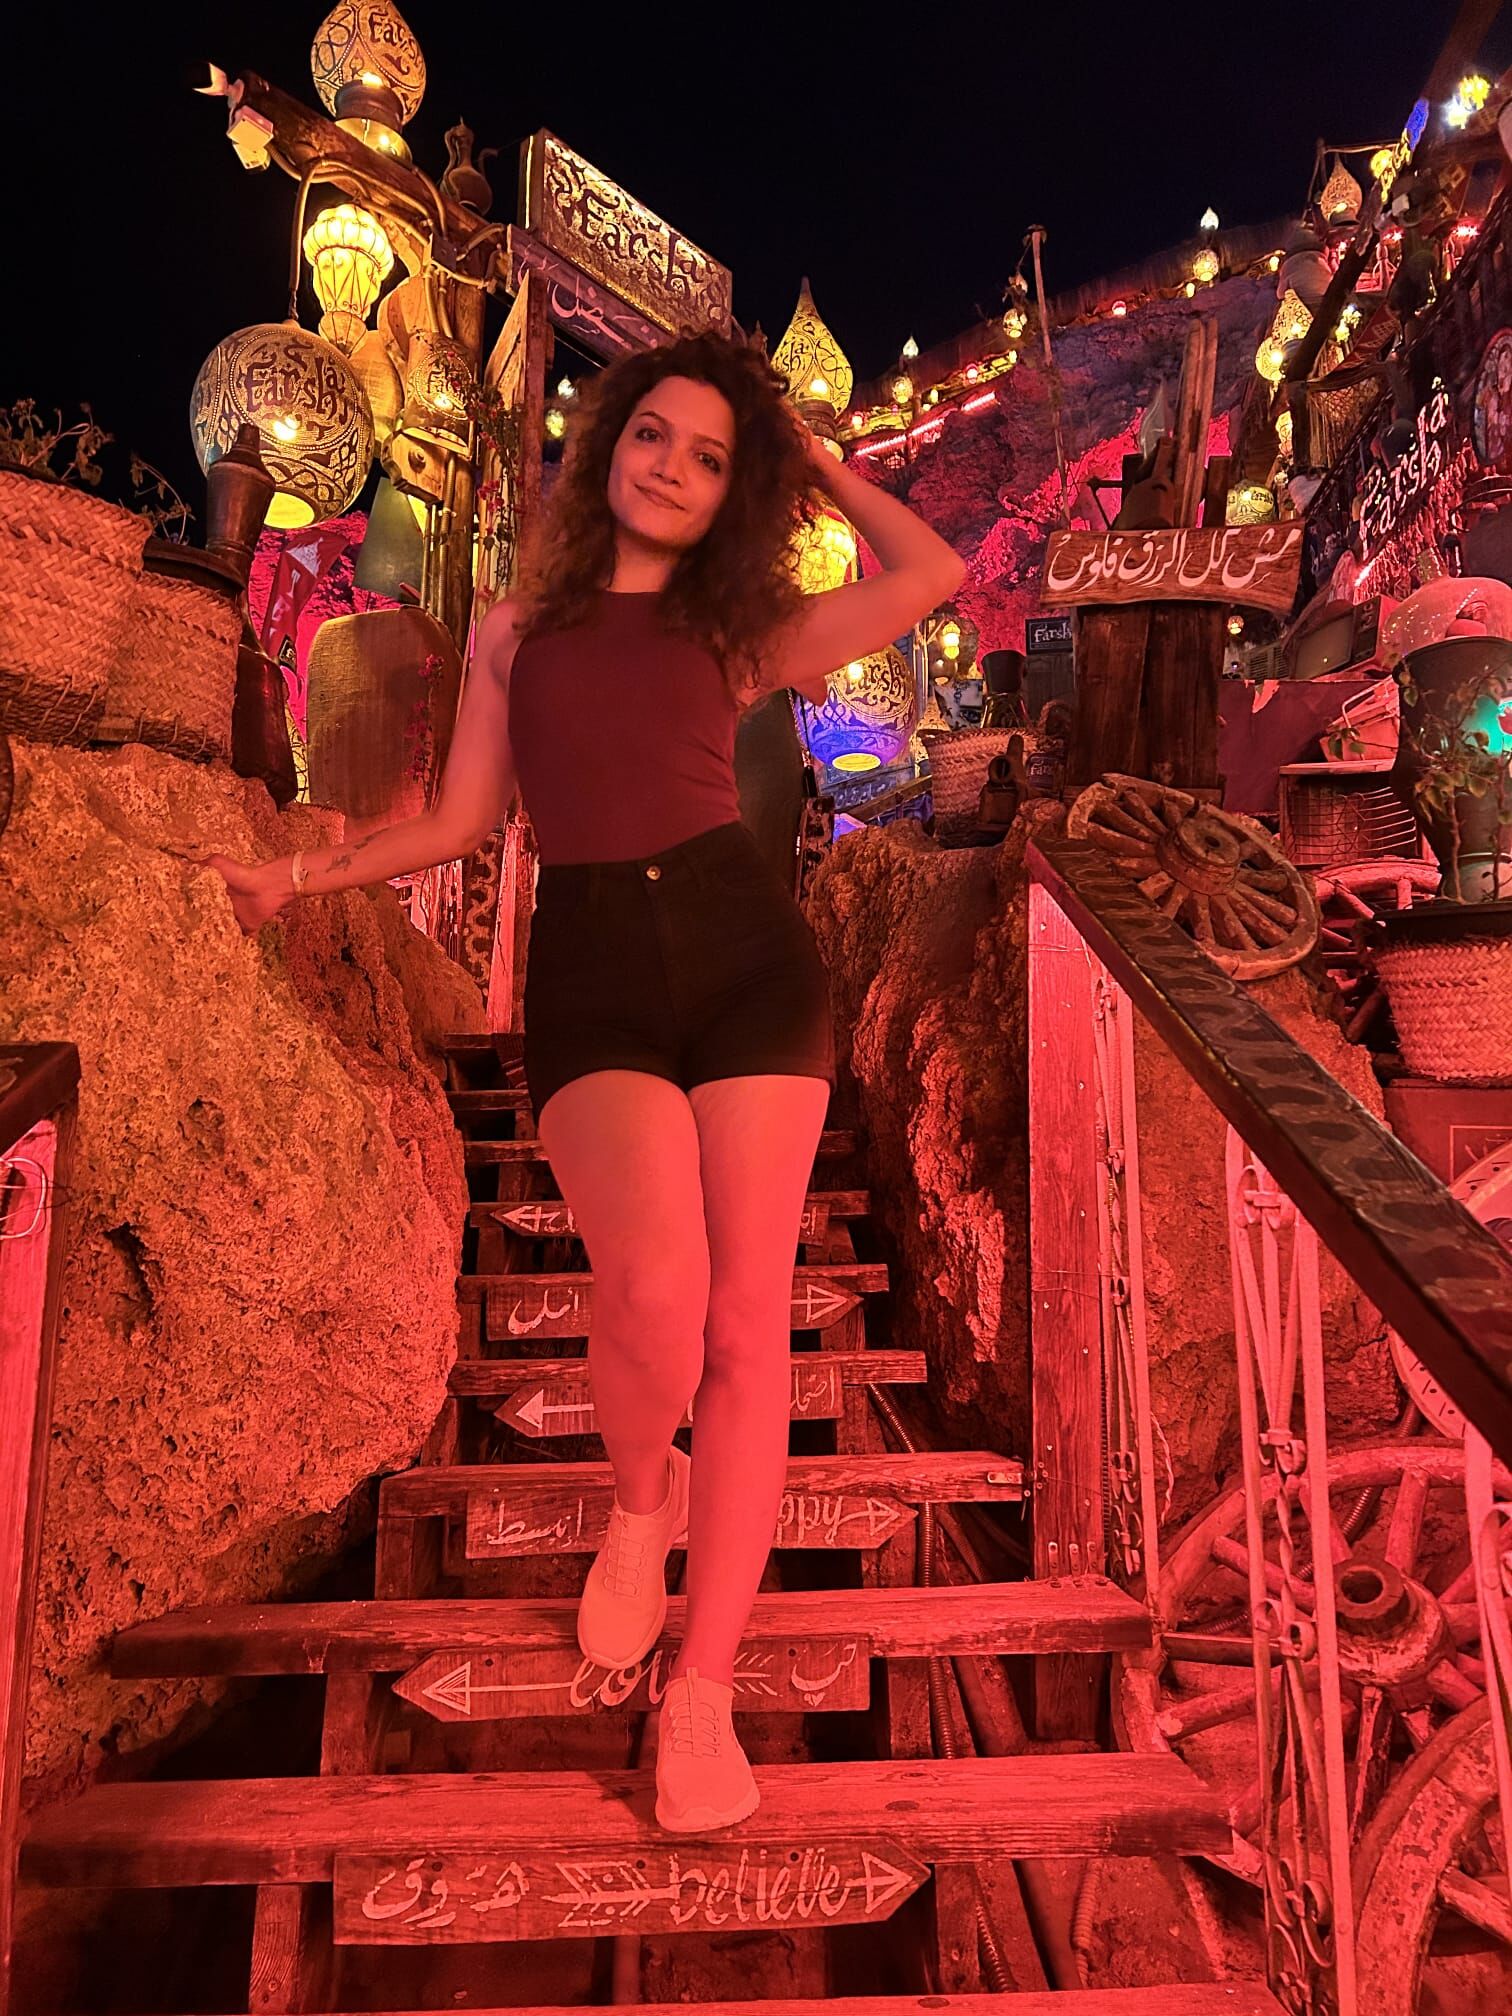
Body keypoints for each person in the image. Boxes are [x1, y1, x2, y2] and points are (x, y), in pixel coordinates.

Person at [198, 329, 964, 1833]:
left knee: (748, 1328)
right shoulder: (514, 630)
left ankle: (700, 1693)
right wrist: (297, 877)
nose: (673, 468)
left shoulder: (734, 628)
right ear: (609, 440)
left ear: (734, 489)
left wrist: (808, 453)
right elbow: (458, 823)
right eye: (654, 435)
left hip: (749, 965)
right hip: (596, 970)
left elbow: (927, 571)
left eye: (711, 456)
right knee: (657, 1291)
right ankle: (638, 1505)